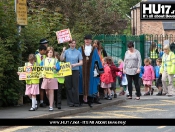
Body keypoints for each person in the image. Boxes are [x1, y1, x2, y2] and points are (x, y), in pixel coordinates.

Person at [79, 34, 103, 107]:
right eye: (86, 39)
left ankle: (90, 101)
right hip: (82, 69)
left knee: (91, 84)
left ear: (91, 41)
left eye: (88, 39)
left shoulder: (94, 49)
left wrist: (97, 71)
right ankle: (81, 100)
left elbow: (97, 60)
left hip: (91, 69)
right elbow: (78, 58)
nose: (87, 41)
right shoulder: (80, 48)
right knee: (81, 83)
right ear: (84, 40)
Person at [60, 40, 83, 107]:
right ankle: (70, 102)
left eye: (74, 43)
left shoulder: (78, 52)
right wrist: (63, 51)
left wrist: (75, 65)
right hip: (67, 70)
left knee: (75, 87)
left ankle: (76, 102)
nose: (73, 44)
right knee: (68, 87)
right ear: (69, 44)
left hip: (75, 70)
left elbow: (81, 62)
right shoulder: (66, 51)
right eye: (71, 43)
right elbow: (61, 59)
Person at [40, 47, 61, 111]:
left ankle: (51, 106)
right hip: (45, 77)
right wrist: (42, 74)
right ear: (47, 53)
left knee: (51, 91)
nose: (50, 53)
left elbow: (58, 68)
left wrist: (56, 67)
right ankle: (51, 102)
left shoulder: (55, 60)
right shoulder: (43, 60)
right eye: (49, 52)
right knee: (47, 92)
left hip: (52, 77)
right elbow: (40, 69)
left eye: (51, 52)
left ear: (53, 53)